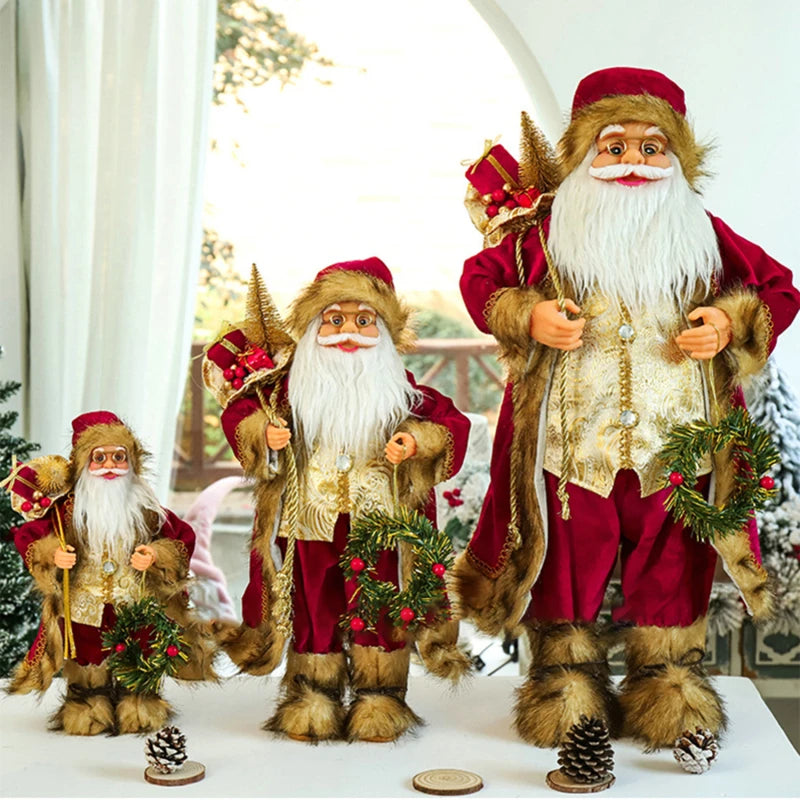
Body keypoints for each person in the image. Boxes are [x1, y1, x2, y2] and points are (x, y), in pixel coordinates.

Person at [455, 67, 800, 749]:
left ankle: (669, 683)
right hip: (569, 447)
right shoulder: (544, 235)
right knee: (564, 564)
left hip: (678, 447)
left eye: (651, 147)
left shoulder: (704, 234)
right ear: (585, 153)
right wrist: (528, 314)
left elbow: (778, 289)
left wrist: (728, 322)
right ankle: (564, 685)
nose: (632, 163)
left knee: (673, 564)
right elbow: (481, 280)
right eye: (614, 147)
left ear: (677, 156)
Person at [205, 258, 471, 743]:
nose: (348, 332)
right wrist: (264, 434)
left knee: (380, 607)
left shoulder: (404, 392)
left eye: (364, 320)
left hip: (380, 524)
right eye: (334, 319)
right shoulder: (286, 393)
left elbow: (450, 423)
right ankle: (313, 696)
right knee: (314, 606)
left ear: (385, 330)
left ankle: (380, 697)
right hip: (309, 520)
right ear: (313, 327)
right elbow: (240, 415)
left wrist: (415, 440)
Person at [5, 411, 216, 735]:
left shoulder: (146, 509)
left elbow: (181, 537)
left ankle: (140, 701)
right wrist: (53, 553)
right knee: (88, 656)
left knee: (140, 649)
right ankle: (87, 703)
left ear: (133, 461)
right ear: (82, 463)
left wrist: (155, 555)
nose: (109, 466)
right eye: (99, 458)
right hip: (84, 605)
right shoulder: (66, 511)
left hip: (135, 603)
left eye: (119, 457)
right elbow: (29, 536)